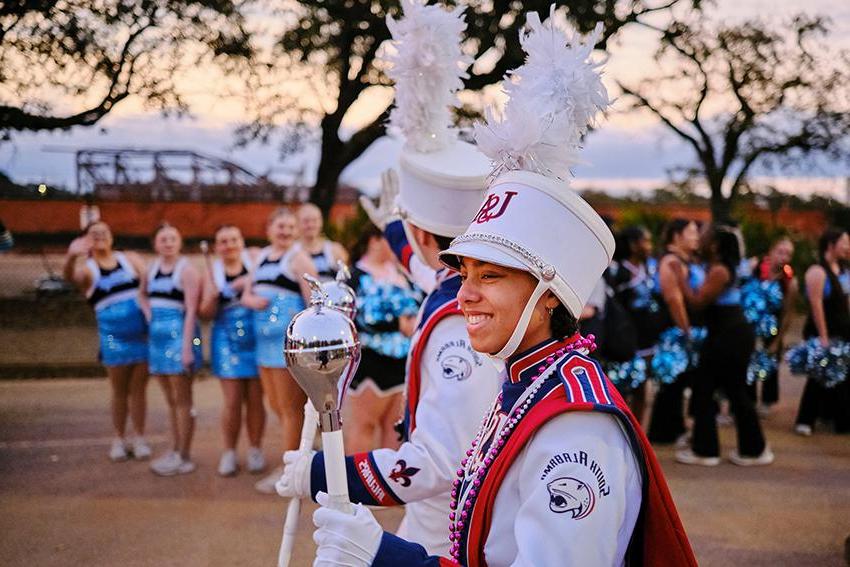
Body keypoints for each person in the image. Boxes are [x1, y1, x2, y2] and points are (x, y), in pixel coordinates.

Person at [308, 13, 697, 565]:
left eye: (489, 276)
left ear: (548, 296)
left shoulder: (575, 432)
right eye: (463, 273)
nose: (463, 294)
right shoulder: (531, 381)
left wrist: (391, 559)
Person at [276, 1, 500, 555]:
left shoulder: (459, 322)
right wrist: (399, 226)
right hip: (448, 515)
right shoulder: (459, 286)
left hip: (451, 527)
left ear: (425, 234)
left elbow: (434, 464)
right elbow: (425, 264)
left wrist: (323, 474)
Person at [675, 224, 772, 466]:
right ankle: (750, 449)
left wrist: (680, 279)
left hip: (729, 335)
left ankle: (710, 450)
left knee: (714, 389)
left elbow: (698, 302)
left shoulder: (719, 270)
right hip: (728, 333)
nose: (701, 239)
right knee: (718, 389)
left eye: (705, 237)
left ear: (716, 245)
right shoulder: (719, 266)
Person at [242, 208, 317, 493]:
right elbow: (246, 293)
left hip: (288, 344)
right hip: (263, 344)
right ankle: (301, 454)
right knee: (275, 404)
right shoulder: (259, 257)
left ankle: (291, 469)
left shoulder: (299, 259)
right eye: (279, 226)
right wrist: (252, 302)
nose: (284, 231)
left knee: (290, 408)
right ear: (269, 229)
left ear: (295, 230)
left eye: (289, 227)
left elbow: (314, 302)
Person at [63, 221, 151, 462]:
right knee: (119, 390)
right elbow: (70, 277)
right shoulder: (88, 269)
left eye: (104, 232)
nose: (100, 236)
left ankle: (140, 438)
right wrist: (71, 257)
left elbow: (150, 282)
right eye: (94, 234)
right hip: (113, 338)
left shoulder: (130, 259)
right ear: (87, 241)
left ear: (112, 237)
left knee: (139, 390)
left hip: (141, 335)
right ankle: (119, 439)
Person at [343, 225, 422, 453]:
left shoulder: (403, 273)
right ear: (375, 240)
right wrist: (397, 324)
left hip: (403, 363)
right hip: (370, 362)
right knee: (364, 425)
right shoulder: (354, 276)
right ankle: (357, 485)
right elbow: (353, 317)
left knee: (395, 427)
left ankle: (387, 485)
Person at [198, 225, 266, 477]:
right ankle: (229, 452)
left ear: (242, 242)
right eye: (223, 241)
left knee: (256, 399)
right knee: (233, 401)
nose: (229, 245)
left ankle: (256, 449)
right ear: (217, 247)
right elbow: (204, 314)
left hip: (256, 335)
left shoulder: (257, 260)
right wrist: (212, 299)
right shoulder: (211, 272)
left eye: (234, 240)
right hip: (226, 339)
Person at [143, 223, 202, 476]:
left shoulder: (187, 270)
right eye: (163, 239)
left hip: (179, 337)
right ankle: (175, 448)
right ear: (155, 243)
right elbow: (141, 295)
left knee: (182, 399)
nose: (168, 243)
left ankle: (184, 454)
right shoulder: (151, 268)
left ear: (180, 242)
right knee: (170, 400)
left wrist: (187, 347)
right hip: (157, 339)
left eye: (173, 238)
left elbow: (191, 310)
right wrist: (149, 316)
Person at [647, 218, 703, 445]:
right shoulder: (671, 261)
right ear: (676, 236)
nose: (696, 237)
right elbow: (673, 299)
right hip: (674, 328)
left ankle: (675, 426)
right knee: (672, 379)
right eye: (691, 232)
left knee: (680, 381)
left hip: (685, 325)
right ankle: (664, 431)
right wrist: (686, 329)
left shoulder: (686, 260)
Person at [794, 227, 850, 435]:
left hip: (843, 331)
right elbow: (816, 305)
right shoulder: (817, 271)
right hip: (823, 331)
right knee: (819, 375)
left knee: (842, 376)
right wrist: (823, 337)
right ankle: (805, 420)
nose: (848, 247)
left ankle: (836, 418)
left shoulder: (844, 271)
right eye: (845, 242)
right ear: (831, 245)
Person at [609, 225, 664, 420]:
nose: (649, 246)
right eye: (645, 241)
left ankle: (638, 429)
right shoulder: (622, 271)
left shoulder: (649, 266)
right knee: (623, 387)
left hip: (647, 335)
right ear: (633, 245)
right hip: (627, 335)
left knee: (643, 386)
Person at [743, 236, 798, 414]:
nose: (784, 257)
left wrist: (778, 340)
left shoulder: (790, 281)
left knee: (769, 363)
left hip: (772, 328)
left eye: (788, 254)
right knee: (746, 363)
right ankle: (747, 400)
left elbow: (787, 313)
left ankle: (767, 401)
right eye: (780, 252)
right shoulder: (753, 268)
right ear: (771, 252)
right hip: (748, 326)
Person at [294, 203, 349, 280]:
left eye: (315, 220)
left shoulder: (335, 250)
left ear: (321, 222)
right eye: (306, 221)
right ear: (297, 223)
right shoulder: (291, 251)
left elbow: (346, 279)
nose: (310, 225)